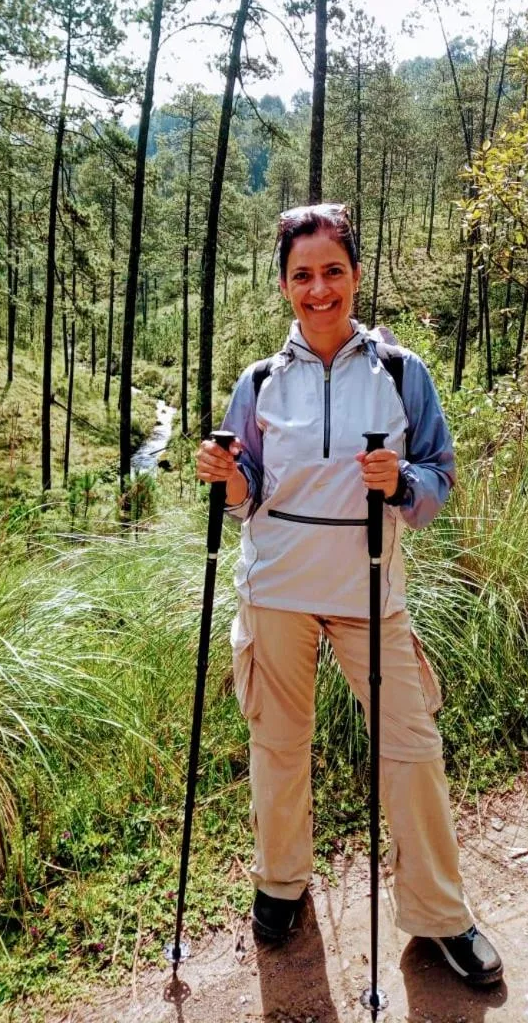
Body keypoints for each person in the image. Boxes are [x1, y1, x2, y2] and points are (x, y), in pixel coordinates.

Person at [195, 203, 503, 987]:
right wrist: (229, 479)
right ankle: (280, 884)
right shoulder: (259, 383)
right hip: (277, 592)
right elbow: (247, 492)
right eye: (303, 275)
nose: (319, 288)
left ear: (356, 276)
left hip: (372, 589)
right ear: (284, 286)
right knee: (278, 745)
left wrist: (401, 480)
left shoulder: (401, 374)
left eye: (333, 271)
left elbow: (437, 481)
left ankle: (440, 915)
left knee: (412, 749)